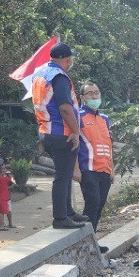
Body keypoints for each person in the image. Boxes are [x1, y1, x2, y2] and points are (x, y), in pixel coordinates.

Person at [30, 42, 87, 230]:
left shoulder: (40, 73)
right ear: (67, 59)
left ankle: (68, 211)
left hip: (46, 132)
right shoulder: (60, 76)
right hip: (62, 133)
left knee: (65, 173)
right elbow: (65, 107)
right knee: (62, 177)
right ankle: (61, 218)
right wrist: (76, 132)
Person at [75, 81, 114, 239]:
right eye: (90, 93)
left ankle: (93, 241)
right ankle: (85, 240)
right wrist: (75, 168)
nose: (94, 96)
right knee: (92, 203)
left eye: (96, 92)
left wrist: (112, 169)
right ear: (82, 97)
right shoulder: (77, 116)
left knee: (99, 205)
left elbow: (108, 144)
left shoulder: (105, 118)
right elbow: (74, 145)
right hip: (87, 169)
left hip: (104, 170)